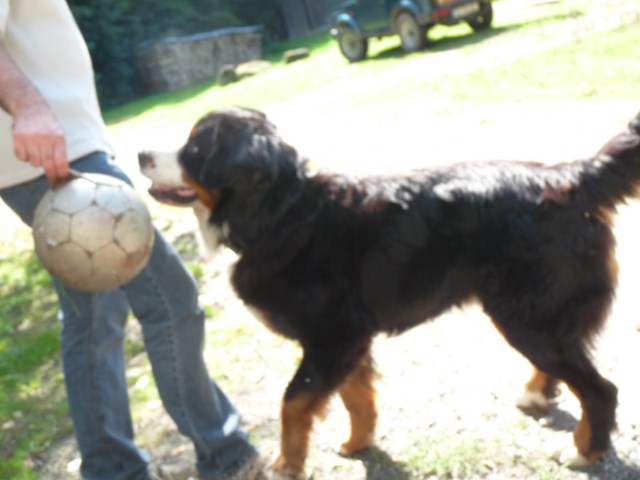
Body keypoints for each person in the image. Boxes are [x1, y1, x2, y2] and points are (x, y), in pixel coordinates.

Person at [0, 1, 264, 479]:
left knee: (94, 317)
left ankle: (111, 468)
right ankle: (227, 456)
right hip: (52, 149)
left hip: (53, 146)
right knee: (169, 298)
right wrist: (30, 106)